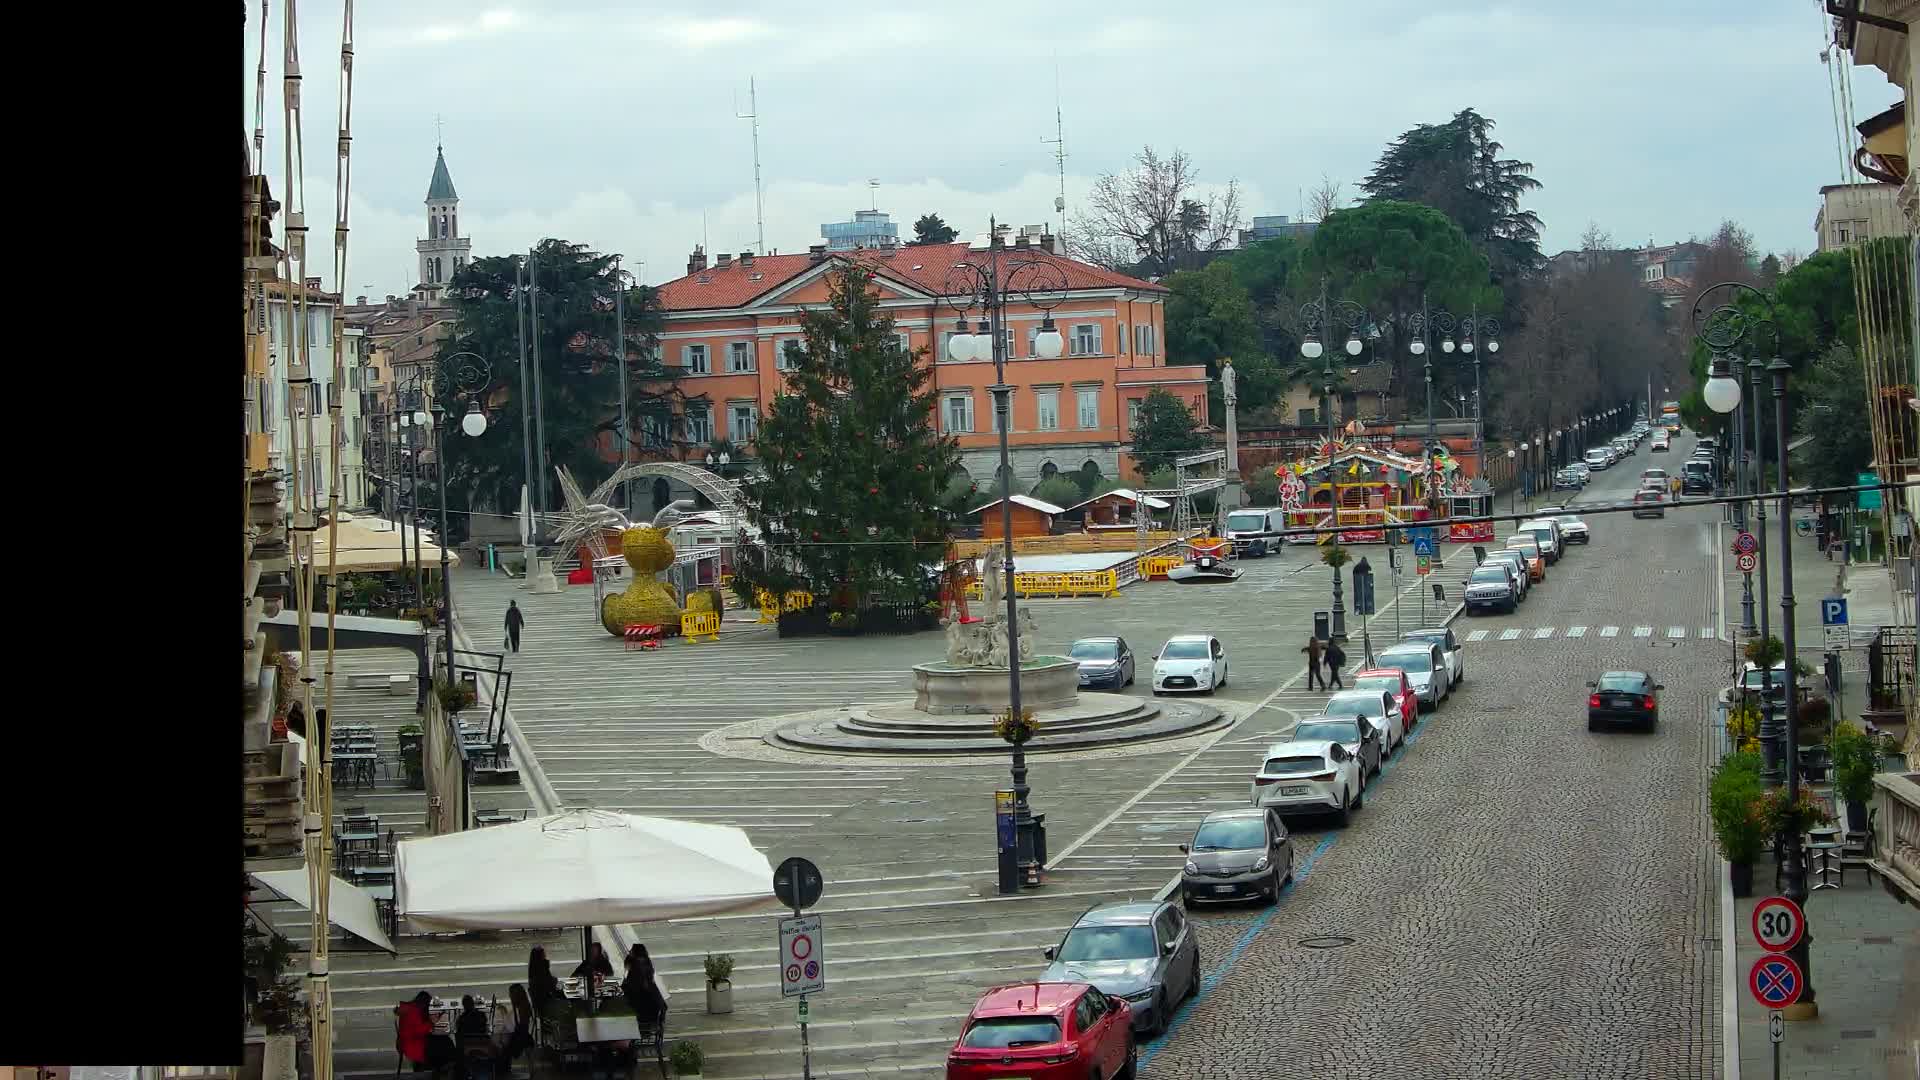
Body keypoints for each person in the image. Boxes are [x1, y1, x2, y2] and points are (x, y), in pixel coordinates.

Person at [622, 943, 667, 1029]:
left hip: (639, 1020)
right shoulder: (651, 985)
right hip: (649, 1021)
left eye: (631, 951)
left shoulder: (636, 969)